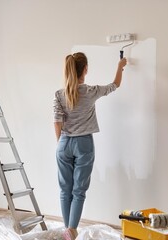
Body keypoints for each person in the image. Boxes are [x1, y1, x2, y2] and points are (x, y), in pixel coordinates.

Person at [53, 52, 127, 240]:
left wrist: (61, 143)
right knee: (78, 191)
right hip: (83, 143)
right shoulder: (91, 91)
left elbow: (57, 122)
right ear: (85, 69)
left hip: (63, 143)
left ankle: (67, 230)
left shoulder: (59, 94)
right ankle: (71, 230)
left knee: (65, 190)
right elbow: (115, 85)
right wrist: (120, 66)